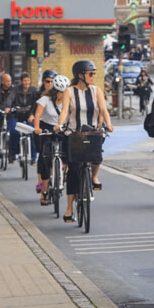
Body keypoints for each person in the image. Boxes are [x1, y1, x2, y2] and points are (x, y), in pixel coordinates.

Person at [56, 60, 114, 223]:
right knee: (74, 170)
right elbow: (65, 111)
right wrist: (59, 124)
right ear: (80, 75)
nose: (93, 76)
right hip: (74, 134)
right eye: (90, 73)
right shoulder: (69, 92)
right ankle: (69, 209)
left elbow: (103, 109)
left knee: (97, 156)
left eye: (94, 73)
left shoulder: (96, 91)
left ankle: (94, 176)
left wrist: (108, 123)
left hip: (92, 132)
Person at [34, 74, 70, 206]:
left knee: (69, 149)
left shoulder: (69, 99)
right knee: (45, 158)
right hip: (47, 128)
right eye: (61, 91)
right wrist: (37, 128)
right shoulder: (45, 99)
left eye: (65, 91)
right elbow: (37, 115)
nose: (63, 94)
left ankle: (64, 169)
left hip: (62, 127)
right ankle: (44, 190)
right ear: (55, 90)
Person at [10, 73, 39, 164]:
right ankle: (12, 155)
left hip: (29, 115)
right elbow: (10, 99)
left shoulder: (34, 90)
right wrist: (7, 107)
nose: (26, 82)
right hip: (17, 115)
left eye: (28, 80)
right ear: (21, 81)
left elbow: (37, 103)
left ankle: (33, 158)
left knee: (32, 134)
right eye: (24, 80)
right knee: (14, 132)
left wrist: (33, 114)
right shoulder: (15, 90)